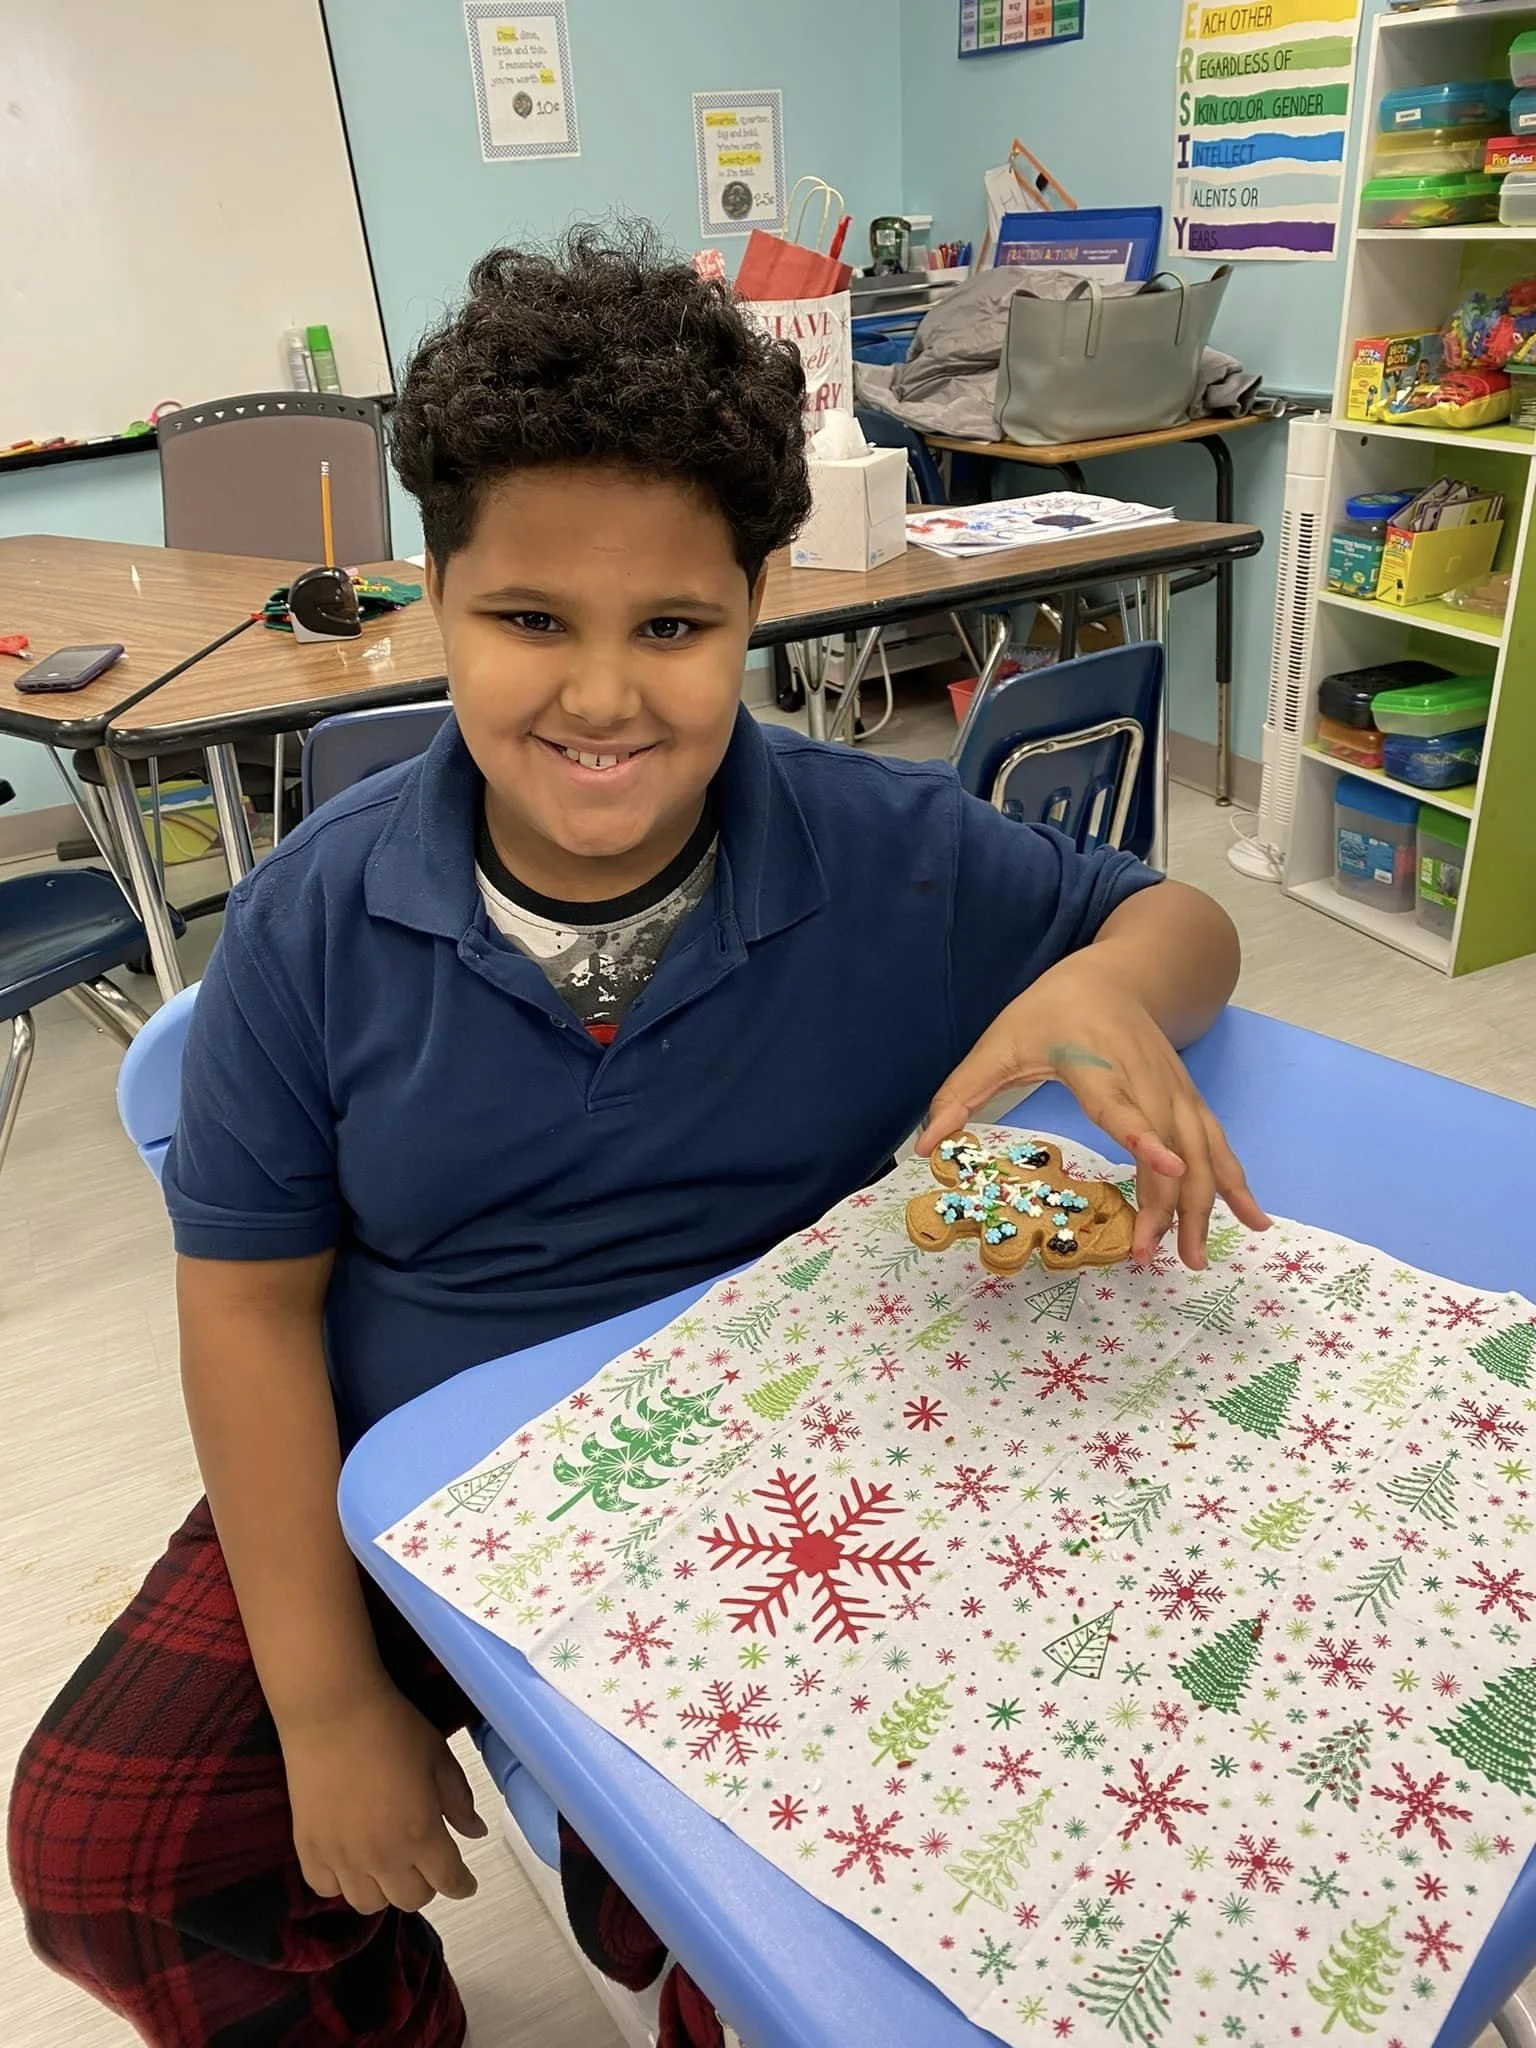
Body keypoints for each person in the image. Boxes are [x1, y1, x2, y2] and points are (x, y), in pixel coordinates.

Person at [9, 224, 1267, 2048]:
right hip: (405, 1471)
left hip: (746, 1482)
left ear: (758, 603)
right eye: (531, 621)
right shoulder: (310, 921)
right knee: (104, 1841)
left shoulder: (888, 852)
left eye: (674, 627)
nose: (603, 699)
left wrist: (1106, 987)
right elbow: (249, 1310)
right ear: (432, 595)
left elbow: (1179, 921)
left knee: (783, 1936)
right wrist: (323, 1703)